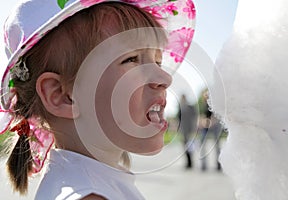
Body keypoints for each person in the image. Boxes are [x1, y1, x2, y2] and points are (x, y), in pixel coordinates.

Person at [0, 0, 196, 199]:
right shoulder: (89, 195)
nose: (166, 78)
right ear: (63, 95)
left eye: (157, 61)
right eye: (131, 59)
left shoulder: (88, 183)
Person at [199, 89, 222, 171]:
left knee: (217, 146)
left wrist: (210, 122)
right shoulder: (203, 105)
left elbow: (217, 116)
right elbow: (202, 115)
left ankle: (219, 164)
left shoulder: (214, 104)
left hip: (214, 126)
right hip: (205, 127)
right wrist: (202, 122)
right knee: (202, 145)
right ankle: (203, 165)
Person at [177, 94, 197, 169]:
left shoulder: (190, 107)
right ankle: (188, 163)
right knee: (185, 147)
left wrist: (193, 130)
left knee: (190, 147)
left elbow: (194, 119)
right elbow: (179, 120)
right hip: (183, 131)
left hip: (189, 130)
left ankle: (190, 163)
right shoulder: (180, 108)